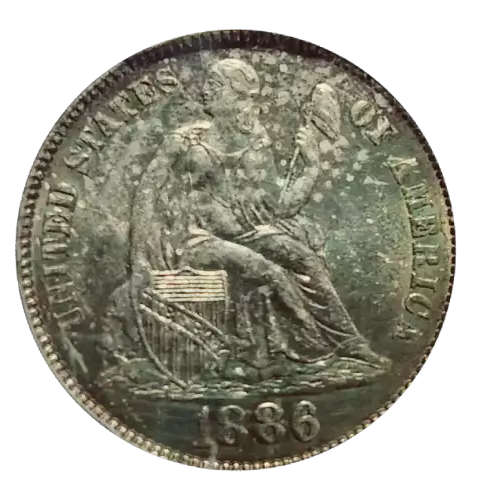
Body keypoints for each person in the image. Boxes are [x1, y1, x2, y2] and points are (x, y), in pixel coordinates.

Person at [128, 58, 389, 380]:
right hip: (193, 239)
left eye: (216, 85)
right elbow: (146, 193)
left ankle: (350, 343)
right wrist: (138, 258)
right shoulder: (184, 141)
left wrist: (311, 167)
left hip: (246, 233)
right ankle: (315, 351)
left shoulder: (256, 140)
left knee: (307, 260)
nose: (205, 90)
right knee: (270, 272)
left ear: (239, 95)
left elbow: (280, 208)